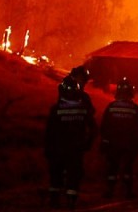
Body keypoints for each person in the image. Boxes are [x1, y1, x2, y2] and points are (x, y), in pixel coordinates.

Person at [45, 76, 97, 209]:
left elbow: (49, 132)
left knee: (56, 175)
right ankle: (71, 201)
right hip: (76, 149)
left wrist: (48, 148)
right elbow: (93, 128)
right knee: (74, 175)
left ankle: (54, 201)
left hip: (58, 148)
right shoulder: (83, 109)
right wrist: (88, 143)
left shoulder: (55, 109)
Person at [100, 77, 138, 199]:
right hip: (129, 144)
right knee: (128, 169)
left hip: (113, 143)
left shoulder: (111, 107)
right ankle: (128, 192)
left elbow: (104, 126)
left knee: (112, 168)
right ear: (131, 93)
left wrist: (104, 141)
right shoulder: (135, 109)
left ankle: (109, 191)